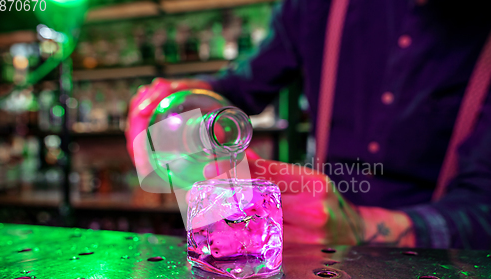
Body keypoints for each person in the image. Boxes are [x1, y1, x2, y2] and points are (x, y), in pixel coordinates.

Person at [126, 0, 491, 249]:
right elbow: (241, 87)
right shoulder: (317, 6)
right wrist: (172, 103)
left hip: (436, 272)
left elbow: (483, 208)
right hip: (314, 259)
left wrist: (358, 227)